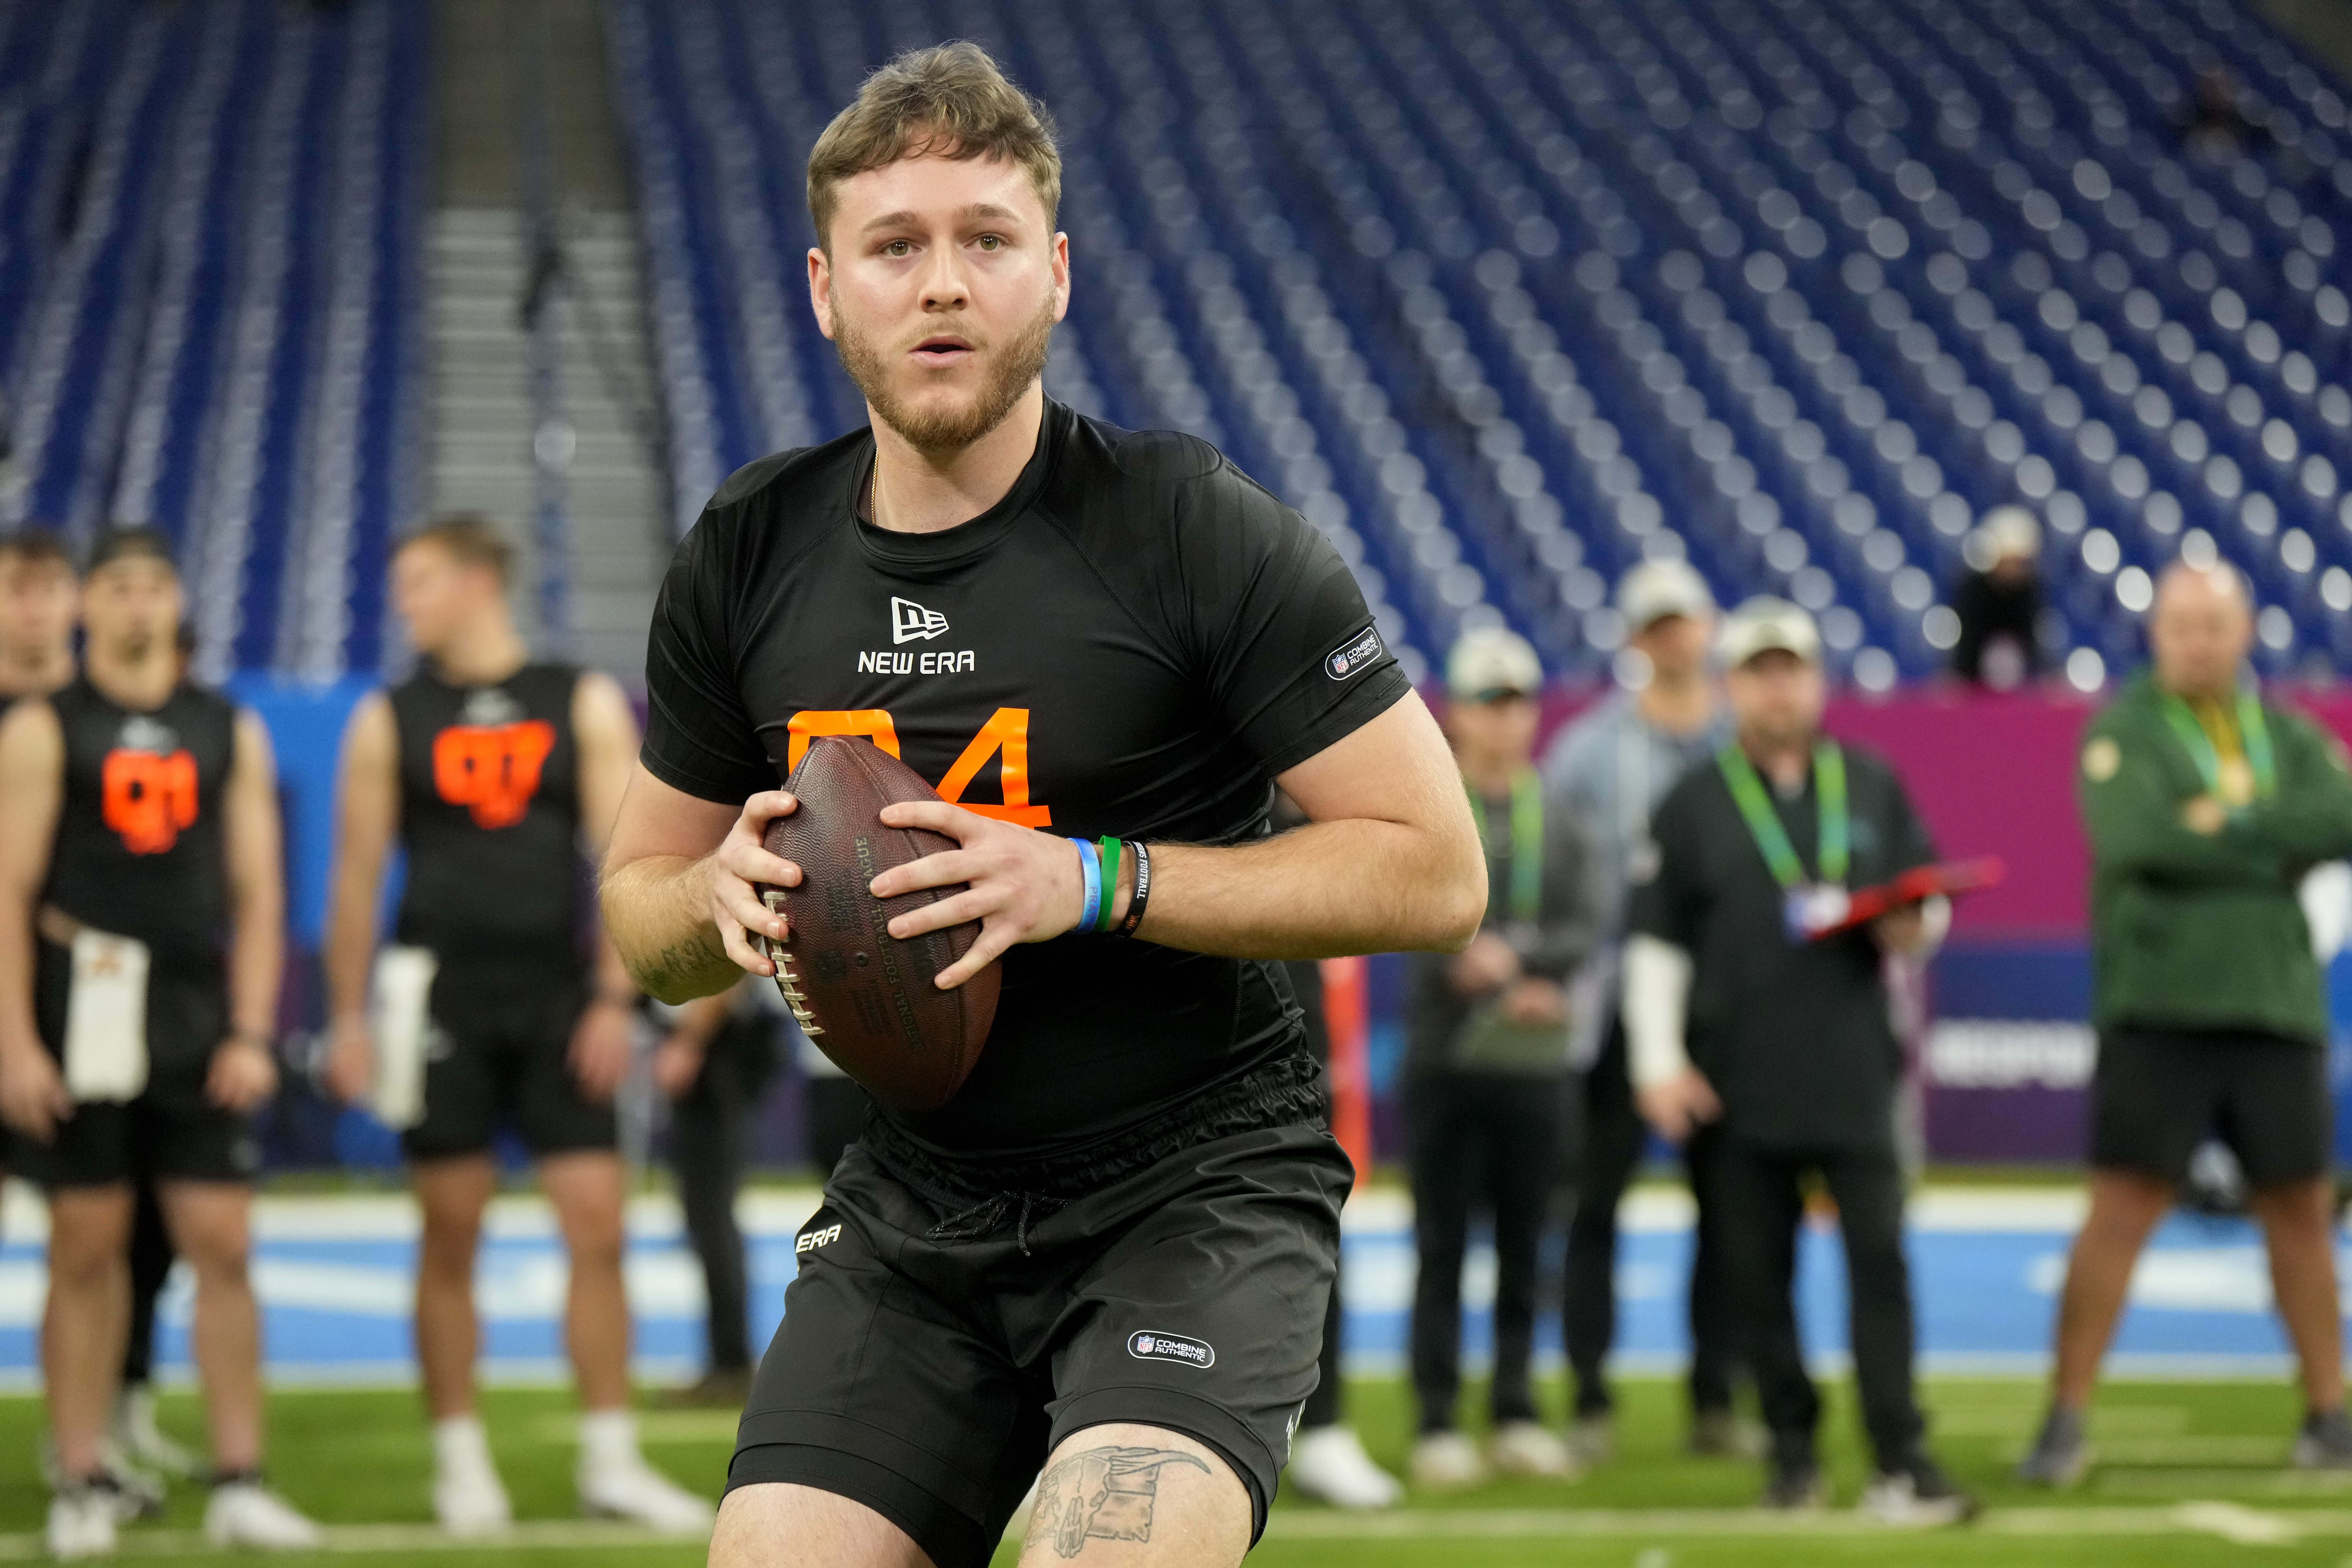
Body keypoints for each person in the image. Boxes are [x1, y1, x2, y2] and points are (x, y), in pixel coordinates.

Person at [597, 43, 1484, 1568]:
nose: (942, 285)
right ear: (825, 289)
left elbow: (1434, 872)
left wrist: (1092, 879)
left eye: (985, 240)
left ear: (1054, 272)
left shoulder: (1186, 526)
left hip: (1195, 1181)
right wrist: (716, 903)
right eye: (896, 246)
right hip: (916, 1200)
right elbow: (640, 920)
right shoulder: (746, 553)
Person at [320, 516, 713, 1534]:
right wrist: (347, 1018)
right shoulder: (387, 716)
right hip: (438, 997)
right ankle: (460, 1459)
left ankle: (611, 1454)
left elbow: (626, 854)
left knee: (599, 1226)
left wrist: (612, 998)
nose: (404, 600)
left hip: (555, 999)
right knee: (448, 1229)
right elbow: (358, 879)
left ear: (480, 580)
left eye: (420, 580)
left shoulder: (573, 698)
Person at [0, 527, 319, 1555]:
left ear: (176, 600)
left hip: (192, 1008)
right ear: (91, 603)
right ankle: (82, 1472)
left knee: (223, 1245)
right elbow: (7, 893)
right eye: (119, 585)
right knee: (84, 1248)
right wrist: (16, 1042)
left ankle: (241, 1474)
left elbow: (262, 891)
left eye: (153, 585)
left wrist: (251, 1028)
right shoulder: (48, 727)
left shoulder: (222, 724)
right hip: (78, 997)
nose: (137, 603)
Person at [1623, 597, 1972, 1523]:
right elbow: (1655, 946)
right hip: (1738, 1080)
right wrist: (1658, 1061)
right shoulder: (1693, 801)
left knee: (1881, 1267)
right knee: (1756, 1280)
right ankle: (1792, 1455)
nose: (1778, 687)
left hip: (1856, 1071)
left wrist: (1917, 925)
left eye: (1792, 669)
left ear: (1816, 680)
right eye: (1760, 671)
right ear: (1733, 685)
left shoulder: (1869, 782)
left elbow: (1924, 900)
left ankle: (1902, 1457)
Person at [2020, 562, 2352, 1483]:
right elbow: (2138, 840)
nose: (2198, 640)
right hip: (2158, 1007)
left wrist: (2219, 824)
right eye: (2181, 625)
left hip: (2276, 1007)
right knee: (2122, 1208)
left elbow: (2343, 818)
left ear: (2246, 632)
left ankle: (2330, 1412)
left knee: (2302, 1210)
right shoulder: (2124, 730)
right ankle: (2065, 1417)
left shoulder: (2286, 730)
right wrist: (2270, 839)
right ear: (2156, 634)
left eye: (2214, 624)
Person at [0, 531, 197, 1505]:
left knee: (121, 1224)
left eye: (45, 589)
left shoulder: (88, 719)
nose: (32, 608)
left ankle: (109, 1418)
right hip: (30, 997)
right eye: (16, 591)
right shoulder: (49, 728)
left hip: (76, 998)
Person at [1544, 559, 1747, 1464]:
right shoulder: (1590, 752)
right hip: (1619, 1002)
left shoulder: (1741, 743)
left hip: (1727, 1000)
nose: (1674, 639)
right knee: (1597, 1205)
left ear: (1706, 629)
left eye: (1685, 622)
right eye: (1656, 625)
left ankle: (1718, 1394)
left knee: (1734, 1207)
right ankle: (1589, 1394)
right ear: (1635, 639)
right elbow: (1549, 869)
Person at [1403, 627, 1600, 1486]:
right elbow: (1396, 908)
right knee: (1442, 1245)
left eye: (1517, 700)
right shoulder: (1427, 805)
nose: (1506, 718)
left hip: (1530, 1058)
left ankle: (1516, 1407)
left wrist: (1518, 968)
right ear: (1458, 713)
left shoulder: (1556, 814)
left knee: (1528, 1246)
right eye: (1490, 700)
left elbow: (1585, 925)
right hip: (1446, 1061)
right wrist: (1459, 953)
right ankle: (1437, 1418)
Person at [1275, 788, 1402, 1511]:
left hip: (1288, 1055)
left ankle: (1321, 1429)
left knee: (1313, 1236)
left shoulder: (1311, 812)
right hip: (1162, 1042)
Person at [651, 980, 782, 1409]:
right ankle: (727, 1359)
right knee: (705, 1215)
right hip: (712, 1047)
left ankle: (731, 1363)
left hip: (718, 1052)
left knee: (710, 1214)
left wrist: (689, 1041)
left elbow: (726, 970)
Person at [1950, 506, 2043, 690]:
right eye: (2009, 561)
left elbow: (2033, 642)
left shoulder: (2031, 591)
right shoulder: (1973, 591)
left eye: (2020, 563)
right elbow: (1966, 647)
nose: (2013, 570)